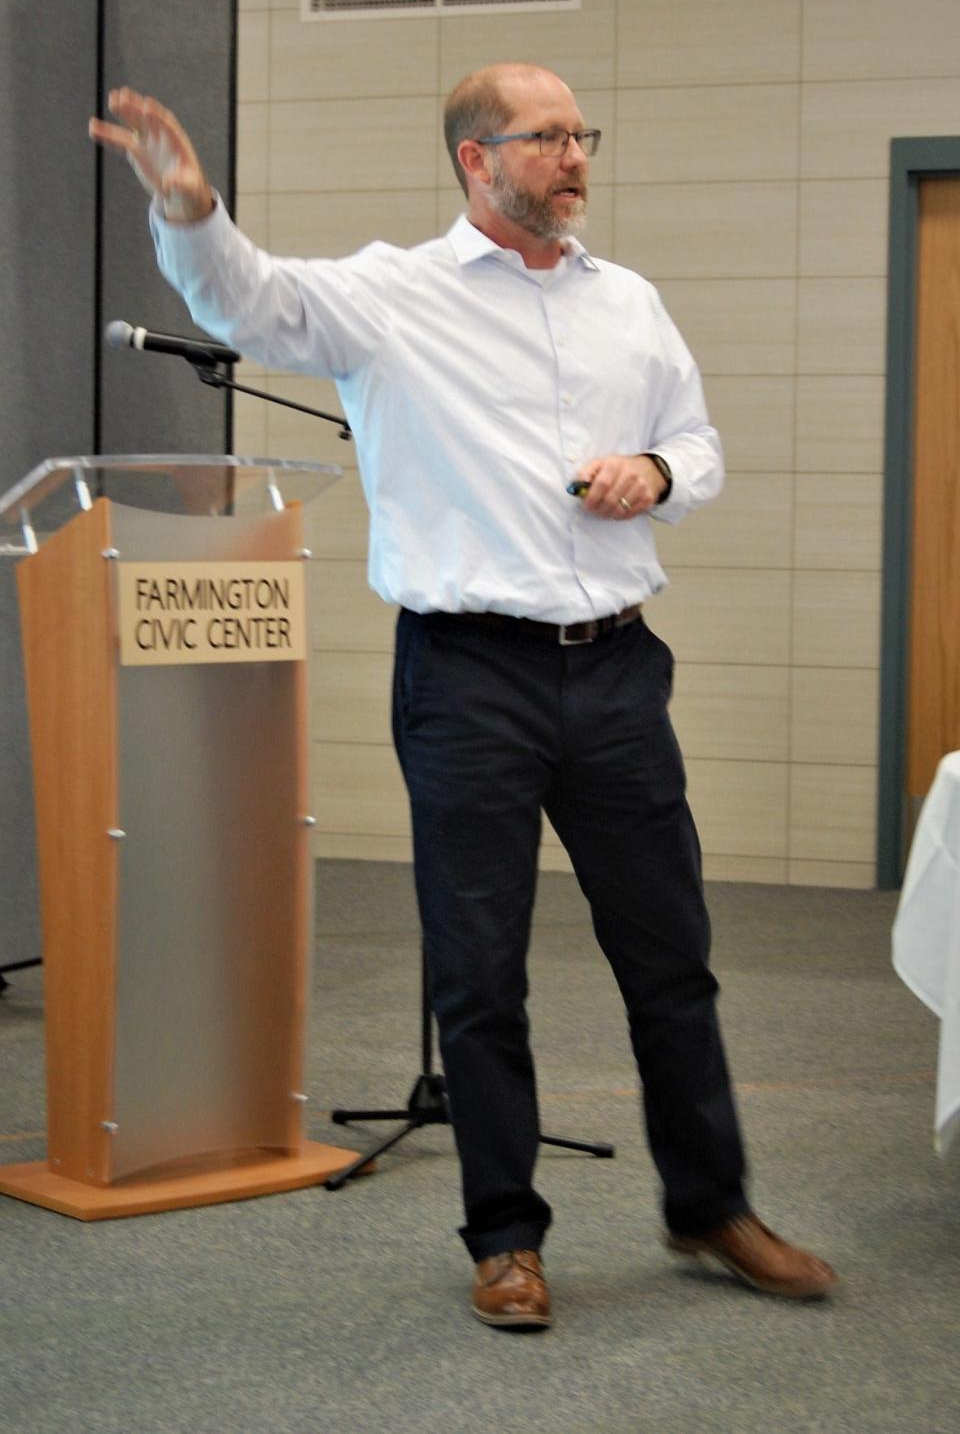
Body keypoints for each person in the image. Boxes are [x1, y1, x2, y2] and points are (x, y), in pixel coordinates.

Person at [90, 65, 838, 1328]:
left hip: (614, 669)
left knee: (673, 960)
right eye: (547, 138)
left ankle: (711, 1203)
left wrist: (656, 469)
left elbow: (700, 444)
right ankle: (505, 1236)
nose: (576, 157)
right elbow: (249, 303)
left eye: (581, 134)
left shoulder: (632, 304)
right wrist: (190, 211)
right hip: (468, 675)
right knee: (481, 974)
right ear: (476, 161)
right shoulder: (394, 294)